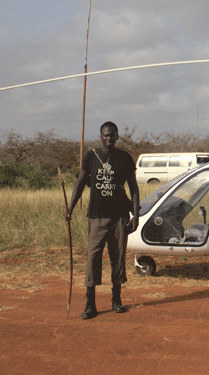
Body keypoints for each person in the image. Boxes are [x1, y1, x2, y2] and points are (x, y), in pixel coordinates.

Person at [65, 121, 140, 319]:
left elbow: (133, 188)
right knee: (93, 258)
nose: (109, 138)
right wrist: (70, 209)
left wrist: (136, 215)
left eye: (112, 135)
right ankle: (90, 304)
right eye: (105, 135)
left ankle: (117, 300)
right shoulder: (91, 156)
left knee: (117, 258)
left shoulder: (124, 158)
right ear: (100, 136)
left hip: (119, 218)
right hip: (96, 217)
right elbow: (80, 184)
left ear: (117, 136)